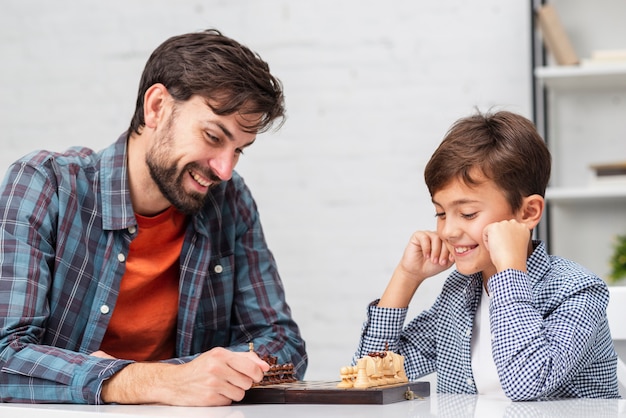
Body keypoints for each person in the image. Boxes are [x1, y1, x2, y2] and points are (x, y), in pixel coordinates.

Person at [0, 29, 307, 406]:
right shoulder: (46, 185)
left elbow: (282, 343)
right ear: (157, 107)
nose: (225, 169)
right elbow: (6, 355)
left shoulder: (230, 200)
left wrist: (181, 379)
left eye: (239, 150)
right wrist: (151, 382)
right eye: (213, 136)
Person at [352, 110, 619, 400]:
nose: (448, 231)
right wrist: (406, 277)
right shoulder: (458, 294)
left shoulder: (577, 291)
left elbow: (527, 383)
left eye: (468, 213)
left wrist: (509, 271)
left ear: (528, 212)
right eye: (440, 213)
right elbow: (369, 377)